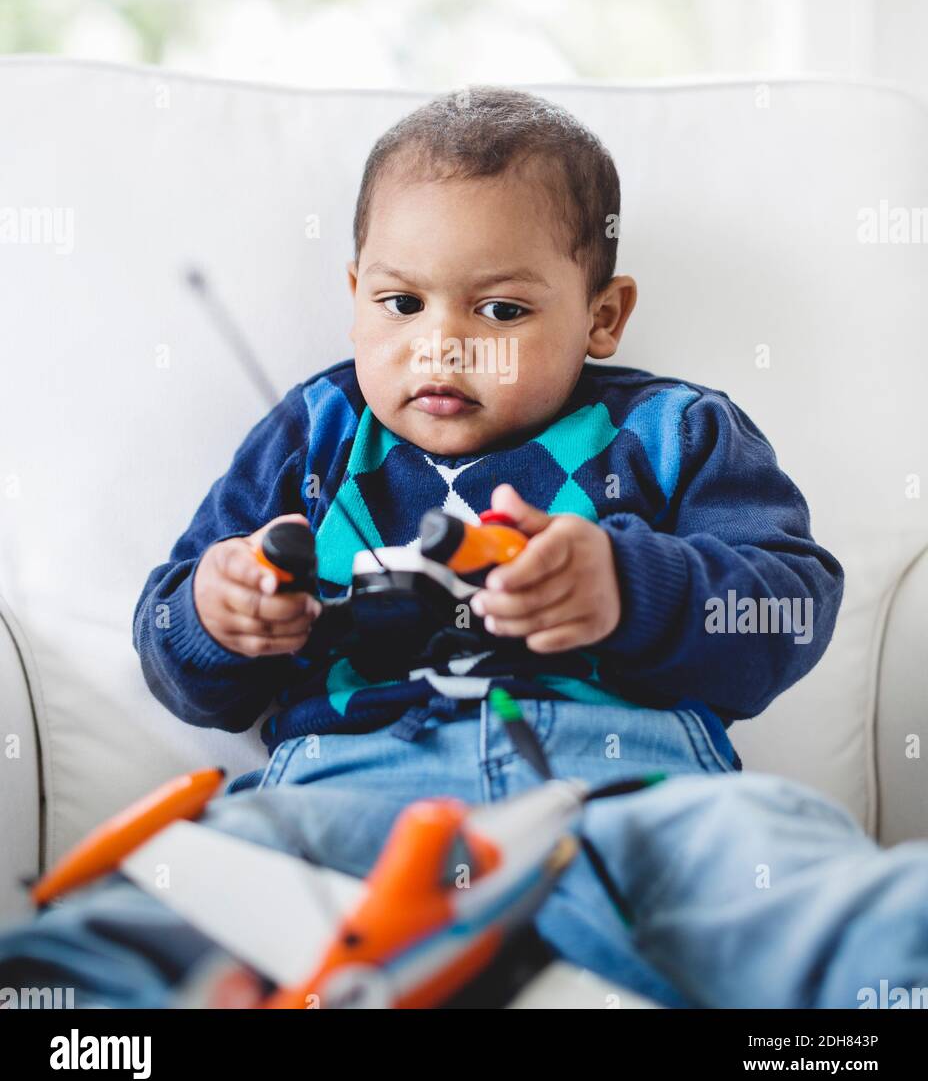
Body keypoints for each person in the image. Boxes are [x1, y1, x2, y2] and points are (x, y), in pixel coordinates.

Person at [0, 88, 850, 1008]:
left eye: (501, 313)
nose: (441, 347)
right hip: (345, 796)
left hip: (630, 794)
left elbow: (789, 606)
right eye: (402, 302)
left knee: (830, 898)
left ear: (603, 317)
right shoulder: (315, 434)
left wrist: (625, 587)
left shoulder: (675, 431)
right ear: (356, 294)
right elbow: (177, 655)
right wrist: (220, 612)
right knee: (109, 937)